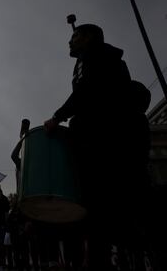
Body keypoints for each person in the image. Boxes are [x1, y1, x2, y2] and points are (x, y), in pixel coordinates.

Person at [44, 24, 150, 270]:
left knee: (100, 205)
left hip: (103, 141)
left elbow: (87, 92)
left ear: (89, 37)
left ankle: (109, 258)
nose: (70, 42)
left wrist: (58, 117)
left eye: (74, 36)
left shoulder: (96, 57)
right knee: (101, 208)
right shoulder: (92, 59)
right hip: (101, 138)